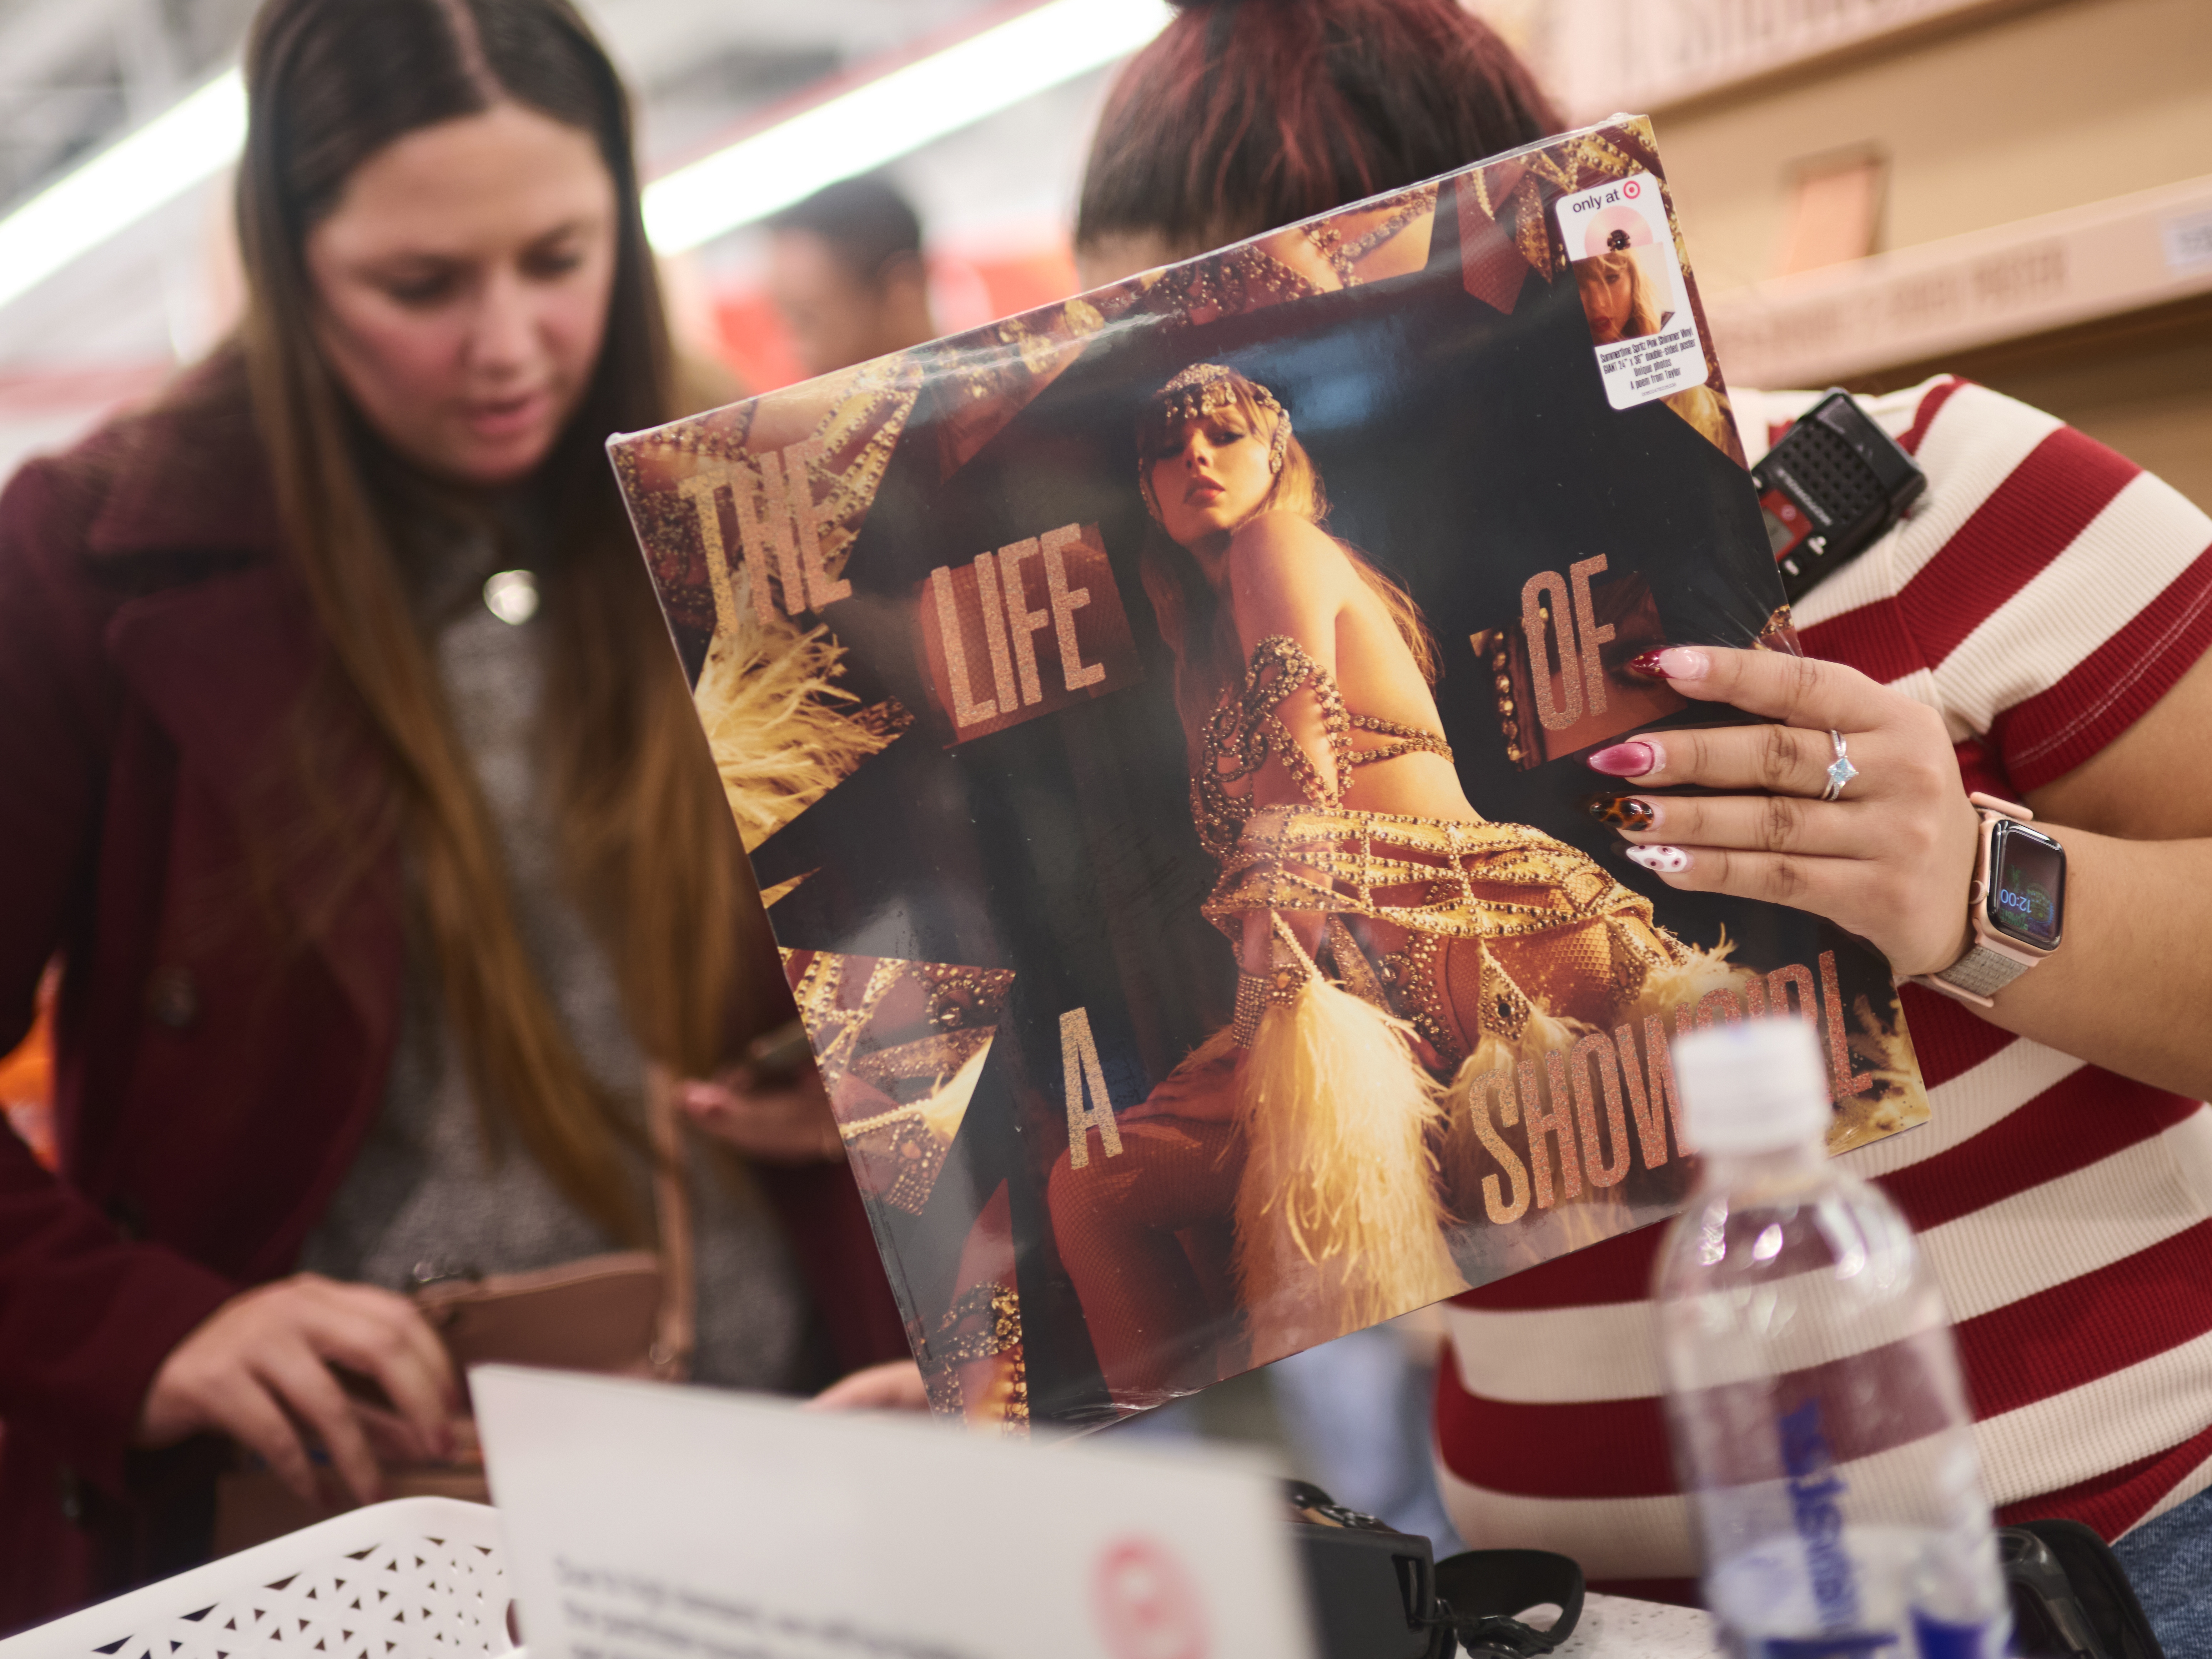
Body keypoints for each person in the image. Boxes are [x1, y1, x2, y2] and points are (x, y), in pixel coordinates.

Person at [1073, 0, 2212, 1644]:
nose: (1192, 419)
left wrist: (1971, 889)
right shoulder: (1207, 661)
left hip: (2107, 1568)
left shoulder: (1950, 490)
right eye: (1123, 351)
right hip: (1579, 1613)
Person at [0, 0, 902, 1632]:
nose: (509, 342)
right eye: (420, 286)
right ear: (288, 264)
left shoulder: (755, 506)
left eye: (560, 256)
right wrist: (134, 1326)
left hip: (775, 1465)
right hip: (328, 1533)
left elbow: (946, 943)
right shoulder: (83, 560)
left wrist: (879, 1079)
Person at [1046, 361, 1733, 1400]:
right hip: (1361, 988)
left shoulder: (1277, 545)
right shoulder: (1193, 654)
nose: (1194, 454)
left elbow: (1298, 786)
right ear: (1143, 490)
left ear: (1276, 455)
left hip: (1490, 931)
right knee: (1101, 1193)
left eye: (1225, 434)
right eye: (1163, 448)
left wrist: (1271, 1011)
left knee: (1697, 1266)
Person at [764, 175, 938, 378]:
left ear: (903, 292)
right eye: (788, 321)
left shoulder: (979, 403)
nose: (797, 351)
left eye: (809, 319)